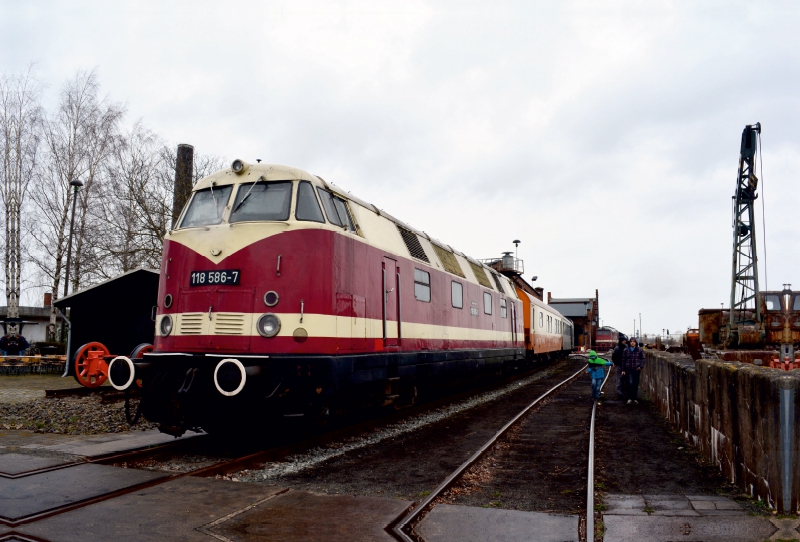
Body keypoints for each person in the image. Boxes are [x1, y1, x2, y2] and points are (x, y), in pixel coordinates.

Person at [620, 337, 645, 404]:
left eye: (633, 341)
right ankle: (630, 398)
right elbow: (623, 360)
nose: (632, 342)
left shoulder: (639, 350)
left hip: (636, 369)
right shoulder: (626, 350)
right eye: (631, 341)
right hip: (628, 369)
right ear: (629, 342)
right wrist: (623, 369)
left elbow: (643, 358)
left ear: (635, 342)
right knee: (630, 383)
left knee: (635, 384)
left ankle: (634, 398)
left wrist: (641, 366)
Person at [611, 335, 628, 400]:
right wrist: (616, 363)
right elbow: (614, 356)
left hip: (626, 366)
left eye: (625, 340)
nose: (625, 341)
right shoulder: (617, 348)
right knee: (619, 379)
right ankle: (620, 393)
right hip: (620, 365)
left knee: (625, 379)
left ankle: (624, 393)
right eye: (623, 340)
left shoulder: (626, 347)